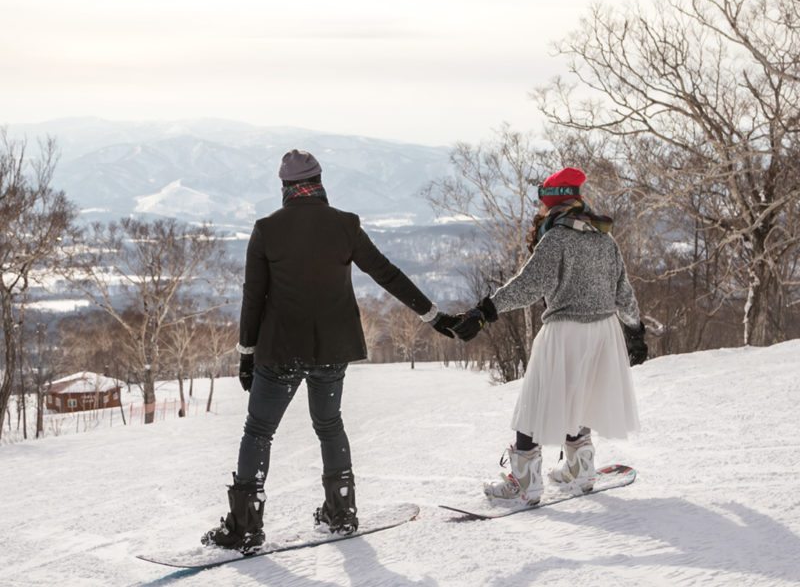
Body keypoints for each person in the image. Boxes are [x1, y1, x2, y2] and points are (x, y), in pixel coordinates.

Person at [202, 149, 459, 551]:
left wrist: (247, 354)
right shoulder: (345, 225)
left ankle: (245, 526)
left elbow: (253, 297)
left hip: (281, 350)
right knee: (329, 425)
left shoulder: (267, 229)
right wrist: (432, 314)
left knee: (258, 432)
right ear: (320, 182)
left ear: (284, 187)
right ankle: (341, 514)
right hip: (331, 350)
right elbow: (387, 274)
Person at [452, 167, 647, 503]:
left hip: (565, 330)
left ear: (553, 203)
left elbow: (529, 286)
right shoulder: (605, 238)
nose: (539, 211)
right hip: (604, 331)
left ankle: (525, 483)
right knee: (581, 395)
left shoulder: (556, 237)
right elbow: (624, 292)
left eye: (542, 204)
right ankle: (580, 470)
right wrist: (634, 330)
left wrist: (485, 311)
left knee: (535, 402)